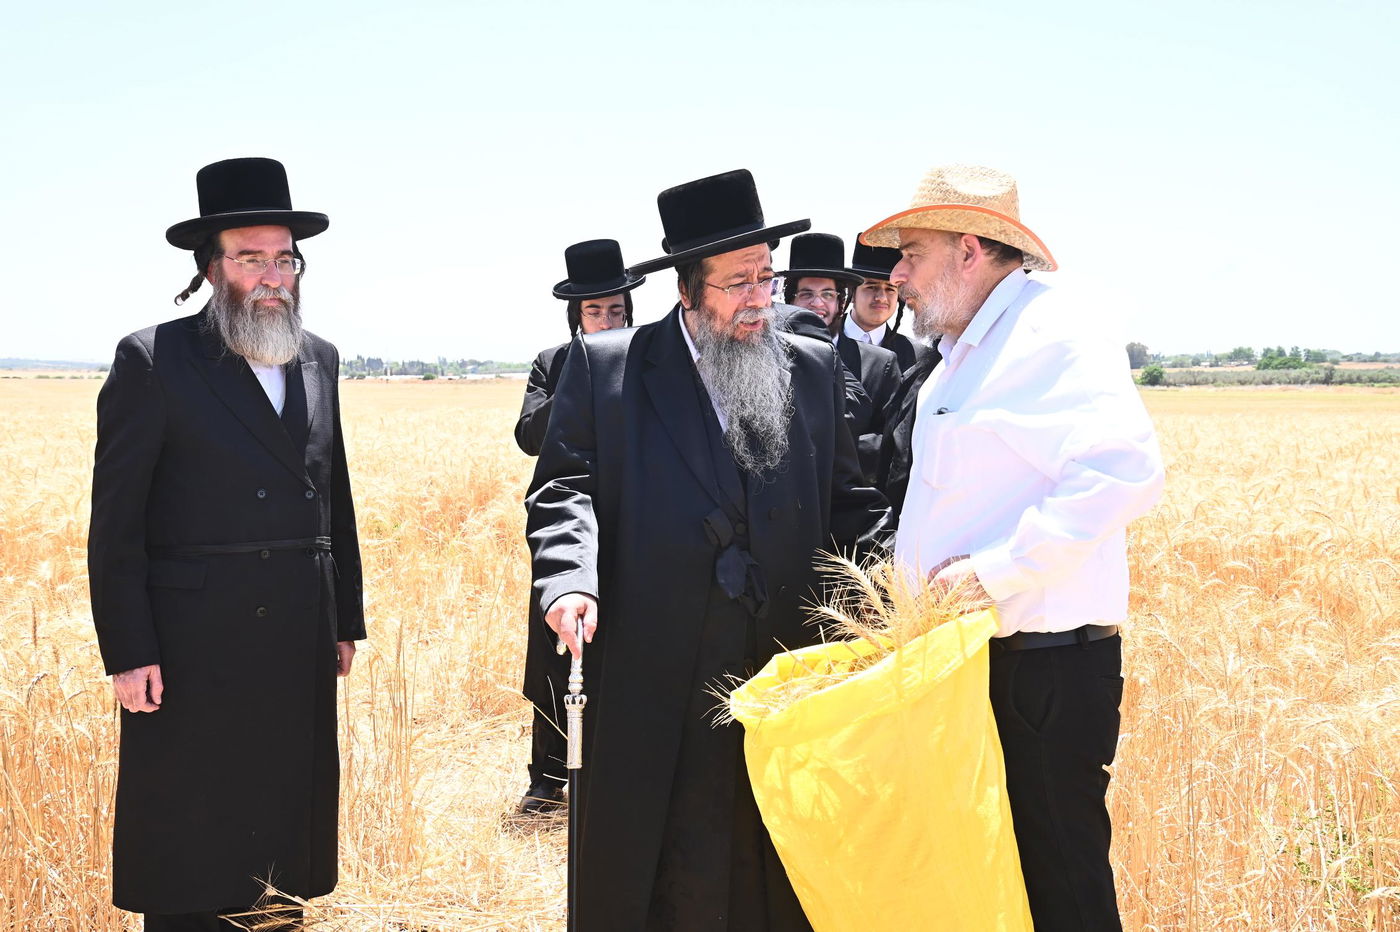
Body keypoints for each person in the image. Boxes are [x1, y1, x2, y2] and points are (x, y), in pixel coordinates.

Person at [527, 168, 890, 930]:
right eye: (736, 284)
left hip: (781, 665)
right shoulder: (609, 369)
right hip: (652, 664)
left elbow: (850, 505)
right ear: (687, 290)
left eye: (766, 277)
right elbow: (564, 489)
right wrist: (569, 581)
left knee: (771, 866)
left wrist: (895, 591)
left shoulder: (816, 367)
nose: (759, 297)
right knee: (655, 870)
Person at [862, 163, 1165, 931]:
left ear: (970, 249)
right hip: (984, 668)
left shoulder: (1052, 336)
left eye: (912, 254)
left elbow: (1125, 473)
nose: (895, 276)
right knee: (994, 890)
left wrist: (992, 574)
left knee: (1059, 887)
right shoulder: (970, 347)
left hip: (1046, 675)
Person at [88, 157, 364, 931]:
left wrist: (344, 617)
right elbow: (117, 521)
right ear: (211, 269)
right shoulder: (155, 359)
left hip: (296, 633)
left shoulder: (320, 357)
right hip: (189, 645)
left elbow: (332, 493)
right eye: (250, 258)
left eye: (283, 257)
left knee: (282, 820)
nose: (272, 275)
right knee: (192, 829)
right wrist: (127, 648)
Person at [514, 239, 644, 815]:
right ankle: (546, 776)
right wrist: (577, 378)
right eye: (595, 312)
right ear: (575, 318)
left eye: (616, 310)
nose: (608, 321)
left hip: (634, 523)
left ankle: (611, 769)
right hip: (570, 525)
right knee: (554, 646)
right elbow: (528, 436)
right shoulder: (554, 362)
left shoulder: (646, 358)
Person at [780, 232, 899, 481]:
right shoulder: (765, 355)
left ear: (841, 303)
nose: (817, 303)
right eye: (806, 294)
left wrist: (823, 454)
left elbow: (890, 442)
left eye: (827, 294)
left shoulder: (880, 364)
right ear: (789, 298)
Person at [846, 236, 926, 372]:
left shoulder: (916, 357)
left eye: (890, 289)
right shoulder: (823, 341)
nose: (881, 298)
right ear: (852, 292)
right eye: (871, 287)